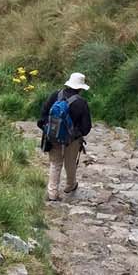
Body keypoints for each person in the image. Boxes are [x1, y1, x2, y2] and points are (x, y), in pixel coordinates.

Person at [37, 72, 92, 200]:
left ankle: (52, 193)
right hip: (71, 139)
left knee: (55, 163)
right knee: (70, 162)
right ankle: (70, 185)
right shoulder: (81, 103)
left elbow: (43, 115)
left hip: (53, 136)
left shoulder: (55, 95)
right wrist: (77, 134)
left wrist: (48, 130)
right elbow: (86, 128)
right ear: (80, 88)